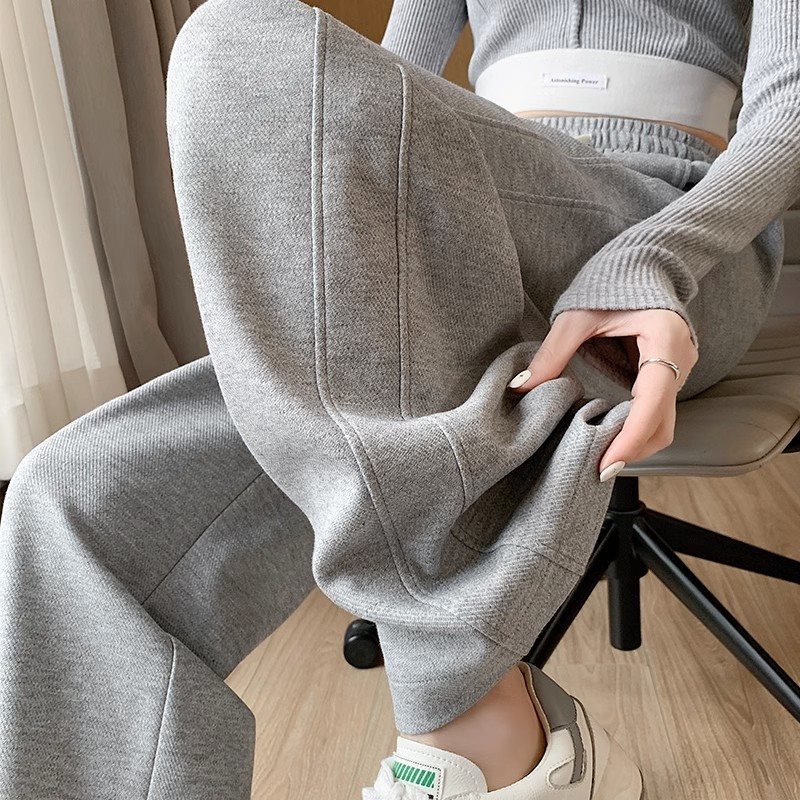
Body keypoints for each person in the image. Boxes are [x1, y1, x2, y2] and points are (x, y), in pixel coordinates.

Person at [0, 0, 796, 798]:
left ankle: (474, 727)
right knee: (74, 502)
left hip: (680, 232)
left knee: (230, 42)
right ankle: (509, 743)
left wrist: (652, 256)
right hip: (471, 219)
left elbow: (787, 110)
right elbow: (385, 86)